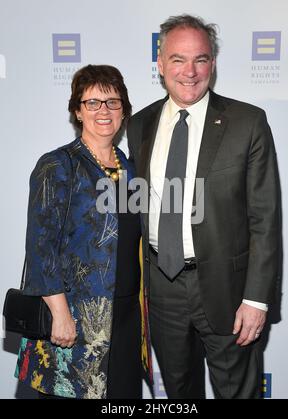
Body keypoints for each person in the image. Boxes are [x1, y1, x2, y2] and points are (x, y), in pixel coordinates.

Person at [127, 14, 281, 399]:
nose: (190, 72)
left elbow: (265, 218)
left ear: (213, 63)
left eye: (201, 59)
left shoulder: (247, 122)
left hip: (229, 292)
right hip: (162, 288)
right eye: (178, 59)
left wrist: (256, 299)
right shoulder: (139, 125)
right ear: (160, 64)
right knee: (180, 394)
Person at [15, 64, 152, 399]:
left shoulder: (133, 170)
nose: (103, 111)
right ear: (77, 111)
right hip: (76, 317)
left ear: (124, 111)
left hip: (127, 318)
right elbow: (40, 248)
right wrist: (60, 315)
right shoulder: (58, 165)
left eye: (112, 102)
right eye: (92, 102)